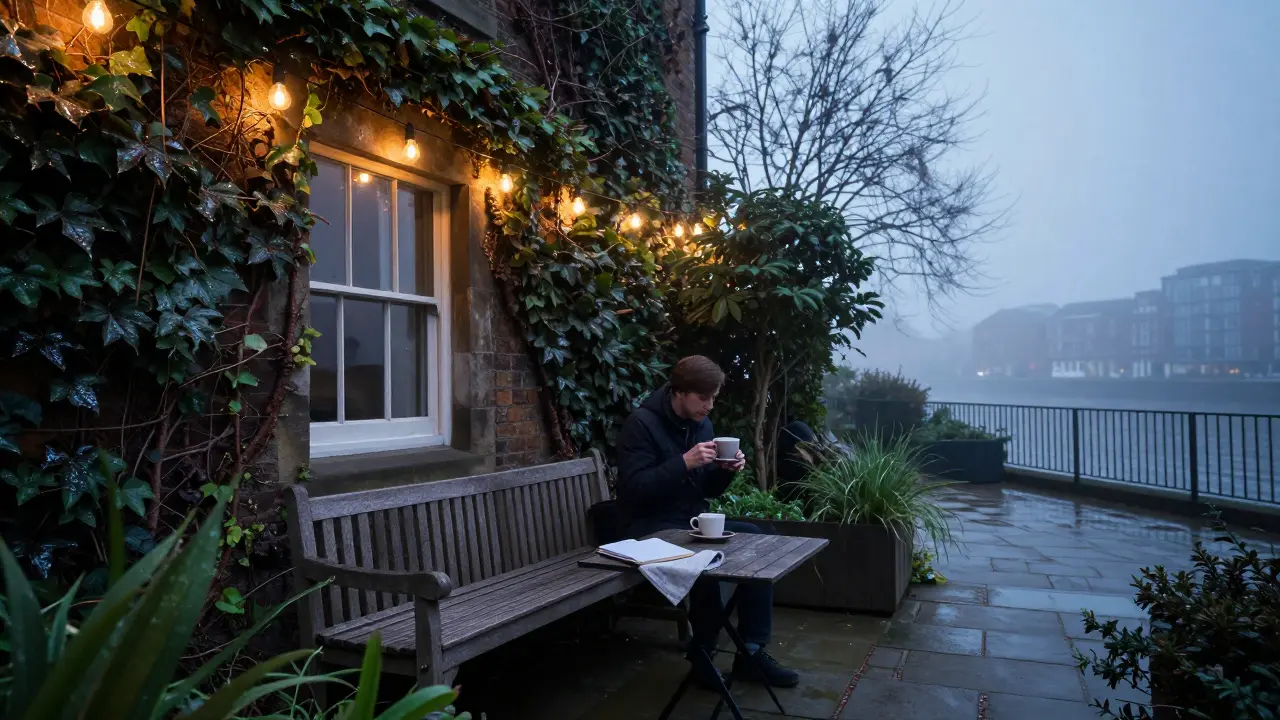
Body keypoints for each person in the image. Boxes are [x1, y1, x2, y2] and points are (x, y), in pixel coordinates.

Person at [615, 355, 800, 689]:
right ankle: (703, 657)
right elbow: (633, 491)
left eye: (714, 397)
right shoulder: (641, 424)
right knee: (704, 564)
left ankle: (752, 652)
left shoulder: (702, 425)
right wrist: (683, 462)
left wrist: (723, 471)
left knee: (758, 541)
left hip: (690, 522)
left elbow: (706, 491)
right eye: (704, 398)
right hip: (649, 526)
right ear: (679, 392)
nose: (710, 406)